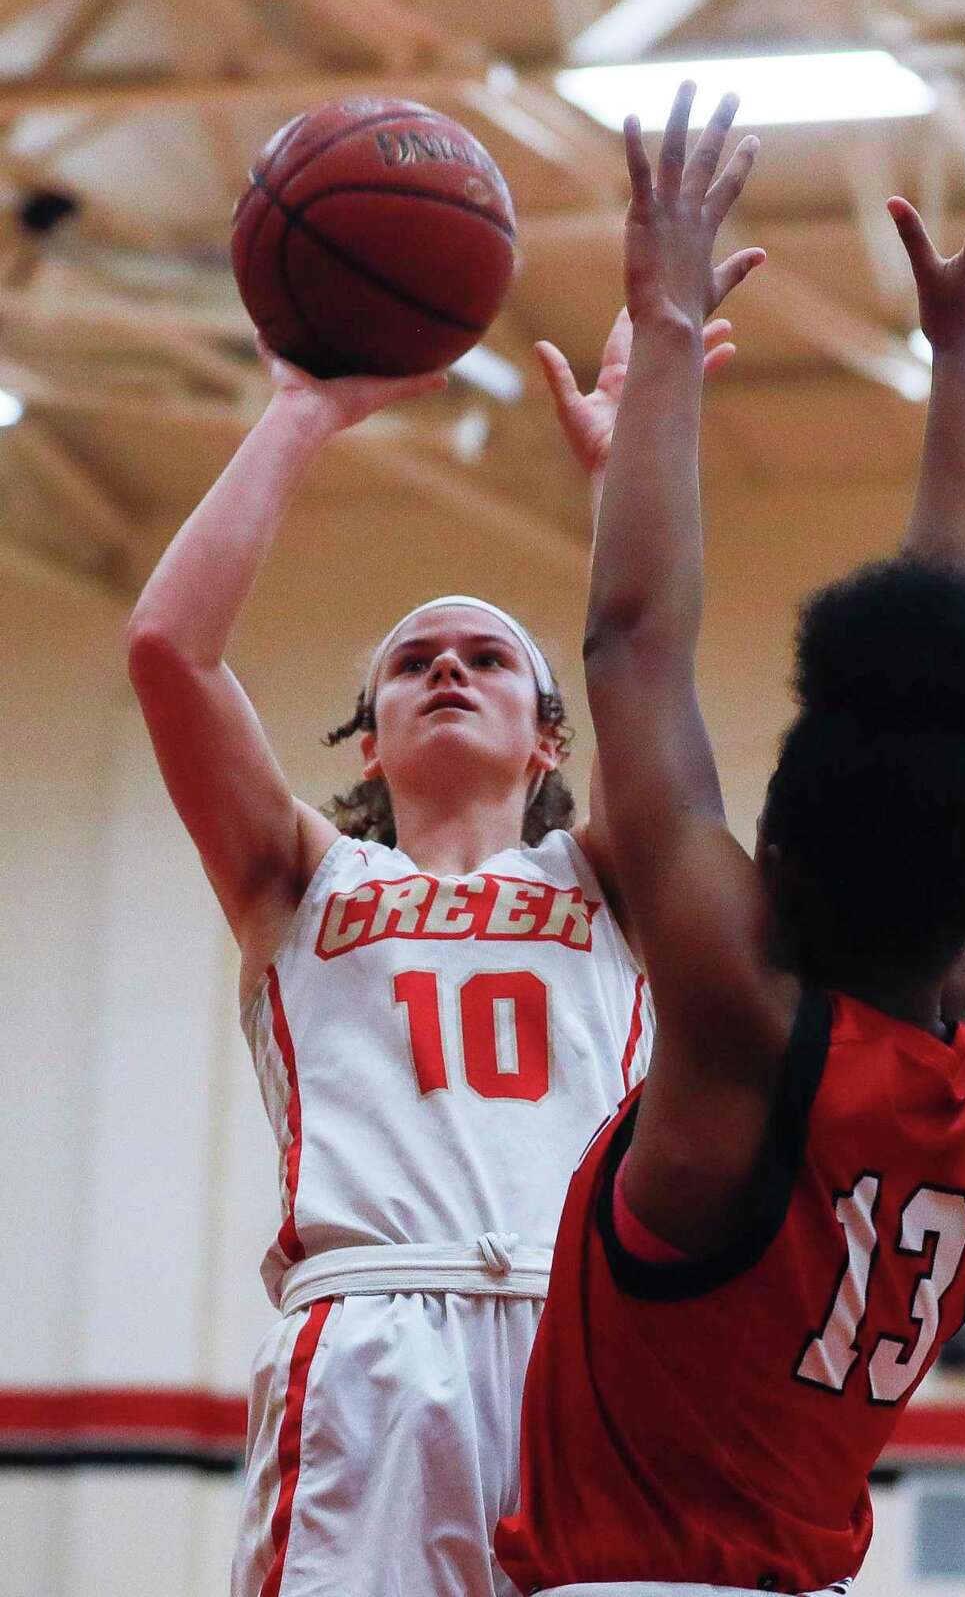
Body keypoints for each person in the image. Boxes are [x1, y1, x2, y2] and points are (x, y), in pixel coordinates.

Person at [496, 87, 965, 1595]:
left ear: (770, 870)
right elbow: (941, 727)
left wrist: (663, 318)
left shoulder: (742, 1024)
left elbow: (636, 640)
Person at [124, 307, 737, 1597]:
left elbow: (654, 659)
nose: (448, 667)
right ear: (370, 742)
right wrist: (301, 412)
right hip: (370, 1342)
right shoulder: (301, 879)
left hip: (582, 1346)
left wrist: (623, 471)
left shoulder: (611, 873)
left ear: (551, 740)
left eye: (488, 660)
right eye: (413, 663)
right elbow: (168, 652)